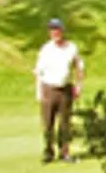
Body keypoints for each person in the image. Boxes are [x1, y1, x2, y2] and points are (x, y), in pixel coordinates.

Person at [34, 17, 85, 163]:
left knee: (65, 123)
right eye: (52, 30)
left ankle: (64, 152)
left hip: (65, 89)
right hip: (49, 89)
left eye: (57, 30)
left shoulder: (71, 48)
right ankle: (48, 152)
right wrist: (38, 91)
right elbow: (38, 72)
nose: (55, 33)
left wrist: (78, 85)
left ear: (62, 31)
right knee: (48, 124)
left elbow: (79, 66)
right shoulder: (46, 49)